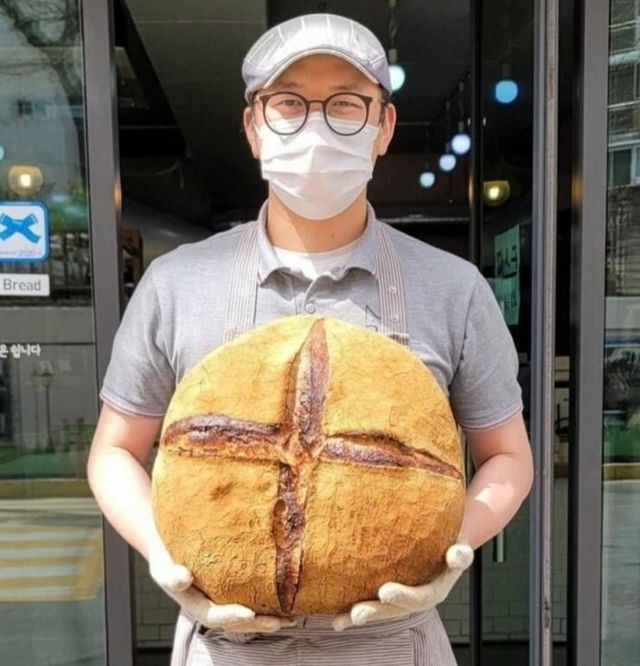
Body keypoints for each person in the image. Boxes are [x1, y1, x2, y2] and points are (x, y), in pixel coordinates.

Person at [87, 13, 534, 666]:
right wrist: (161, 551)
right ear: (253, 128)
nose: (316, 128)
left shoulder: (453, 287)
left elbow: (508, 456)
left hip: (392, 644)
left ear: (383, 127)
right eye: (289, 104)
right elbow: (113, 451)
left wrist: (452, 545)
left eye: (346, 105)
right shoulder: (176, 283)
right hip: (225, 644)